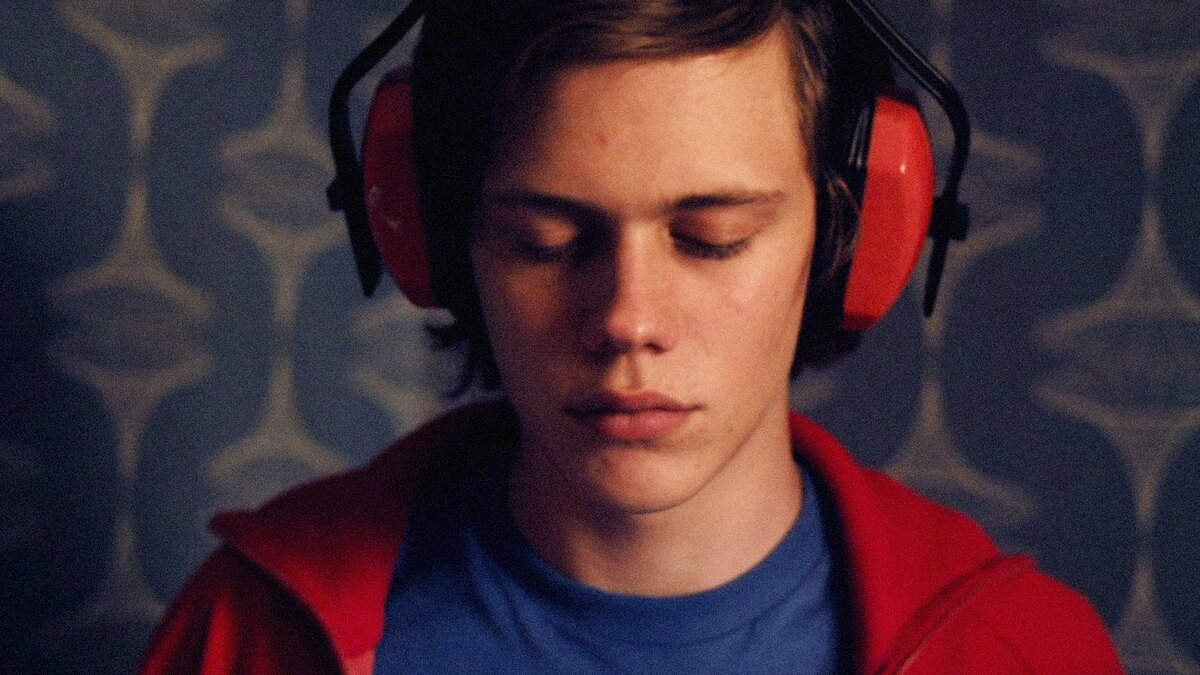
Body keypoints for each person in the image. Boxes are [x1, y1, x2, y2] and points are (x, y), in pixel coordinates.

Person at [140, 0, 1123, 672]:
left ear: (851, 238)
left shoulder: (1021, 653)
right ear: (438, 238)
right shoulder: (248, 636)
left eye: (712, 238)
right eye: (545, 241)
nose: (628, 321)